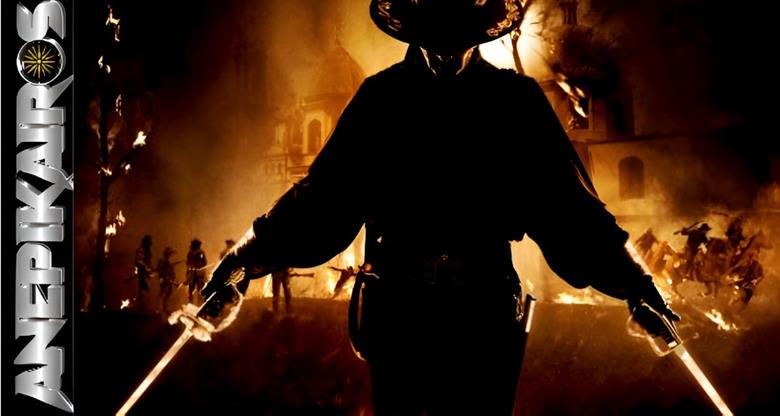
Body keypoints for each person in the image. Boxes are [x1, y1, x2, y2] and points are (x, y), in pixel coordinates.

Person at [203, 1, 679, 414]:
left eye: (458, 22)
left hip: (484, 319)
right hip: (400, 318)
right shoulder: (381, 99)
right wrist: (244, 261)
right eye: (434, 21)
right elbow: (322, 200)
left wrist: (636, 284)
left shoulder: (515, 102)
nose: (446, 43)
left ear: (481, 23)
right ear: (413, 22)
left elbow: (569, 209)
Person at [133, 235, 153, 311]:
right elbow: (138, 261)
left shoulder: (148, 251)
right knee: (143, 290)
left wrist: (150, 270)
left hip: (145, 274)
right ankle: (140, 308)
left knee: (144, 290)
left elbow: (148, 262)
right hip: (141, 273)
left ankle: (142, 307)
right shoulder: (141, 250)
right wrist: (146, 268)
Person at [157, 246, 180, 314]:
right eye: (170, 253)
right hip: (165, 280)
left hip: (168, 280)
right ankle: (161, 309)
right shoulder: (163, 261)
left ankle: (164, 308)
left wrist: (173, 279)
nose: (171, 255)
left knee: (168, 293)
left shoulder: (168, 261)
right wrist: (169, 279)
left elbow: (171, 271)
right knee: (164, 293)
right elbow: (162, 272)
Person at [186, 239, 208, 303]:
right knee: (199, 289)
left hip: (193, 274)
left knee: (192, 290)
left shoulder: (190, 253)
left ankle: (192, 303)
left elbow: (187, 263)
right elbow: (204, 262)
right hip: (198, 274)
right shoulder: (200, 252)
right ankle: (198, 303)